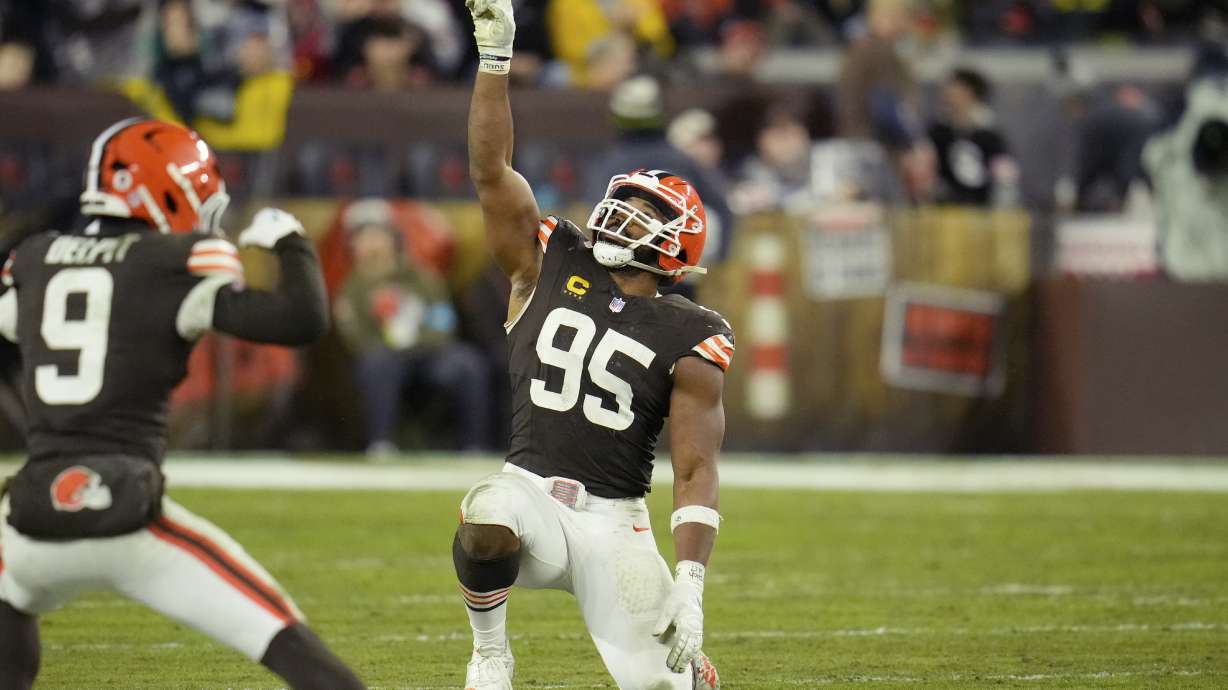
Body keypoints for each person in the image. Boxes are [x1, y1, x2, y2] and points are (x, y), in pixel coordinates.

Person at [0, 118, 364, 690]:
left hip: (30, 522)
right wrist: (291, 243)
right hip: (128, 517)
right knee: (291, 644)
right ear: (165, 187)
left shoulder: (33, 261)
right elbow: (301, 319)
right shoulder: (177, 263)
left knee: (11, 601)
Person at [453, 2, 731, 688]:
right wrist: (496, 58)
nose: (623, 212)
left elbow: (695, 471)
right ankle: (490, 652)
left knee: (668, 686)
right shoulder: (549, 259)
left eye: (646, 212)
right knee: (485, 516)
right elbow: (492, 171)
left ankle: (694, 674)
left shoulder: (691, 331)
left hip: (615, 524)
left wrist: (690, 584)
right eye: (627, 199)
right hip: (529, 498)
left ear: (675, 248)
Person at [333, 218, 492, 455]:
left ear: (393, 242)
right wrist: (393, 345)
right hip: (386, 360)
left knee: (468, 363)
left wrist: (414, 342)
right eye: (365, 239)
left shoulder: (423, 279)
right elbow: (356, 339)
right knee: (378, 365)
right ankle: (380, 443)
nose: (372, 245)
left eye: (378, 237)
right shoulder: (351, 289)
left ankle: (473, 446)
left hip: (430, 356)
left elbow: (443, 323)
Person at [926, 67, 1017, 207]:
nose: (945, 93)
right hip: (945, 212)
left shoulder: (990, 135)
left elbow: (1005, 175)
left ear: (969, 93)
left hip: (981, 213)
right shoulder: (938, 133)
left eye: (952, 87)